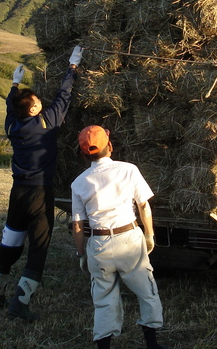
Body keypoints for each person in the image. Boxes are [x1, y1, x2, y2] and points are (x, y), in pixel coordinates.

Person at [0, 45, 83, 321]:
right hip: (40, 193)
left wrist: (14, 85)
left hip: (17, 193)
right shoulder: (45, 123)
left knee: (12, 240)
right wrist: (72, 67)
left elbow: (10, 108)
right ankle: (21, 301)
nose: (43, 103)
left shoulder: (12, 126)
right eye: (38, 102)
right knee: (39, 246)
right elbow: (63, 98)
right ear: (34, 108)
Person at [71, 125, 167, 349]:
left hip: (98, 244)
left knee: (103, 299)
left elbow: (77, 223)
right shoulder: (128, 170)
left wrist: (80, 253)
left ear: (84, 154)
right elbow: (143, 205)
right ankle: (152, 344)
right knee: (146, 291)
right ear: (110, 146)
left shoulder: (78, 183)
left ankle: (104, 347)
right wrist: (149, 234)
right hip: (128, 238)